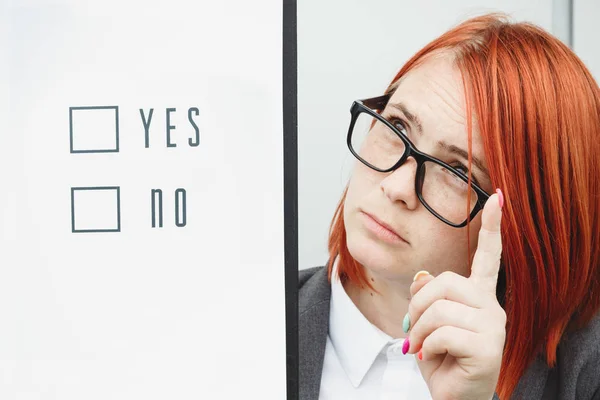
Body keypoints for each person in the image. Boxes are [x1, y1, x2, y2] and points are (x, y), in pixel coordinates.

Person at [299, 13, 600, 400]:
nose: (397, 186)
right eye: (399, 126)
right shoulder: (239, 319)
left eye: (457, 171)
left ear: (528, 225)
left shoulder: (585, 373)